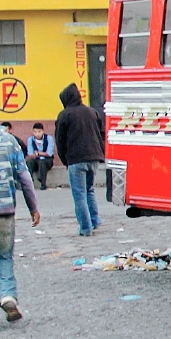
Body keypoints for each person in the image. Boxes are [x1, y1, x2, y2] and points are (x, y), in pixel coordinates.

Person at [0, 123, 40, 327]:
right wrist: (33, 207)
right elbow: (24, 178)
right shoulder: (10, 141)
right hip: (4, 210)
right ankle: (8, 296)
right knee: (4, 256)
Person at [55, 83, 104, 237]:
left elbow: (60, 141)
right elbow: (101, 133)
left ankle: (85, 228)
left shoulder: (64, 115)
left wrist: (65, 161)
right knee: (90, 190)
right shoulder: (92, 112)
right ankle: (95, 220)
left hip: (76, 160)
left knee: (79, 194)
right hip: (94, 158)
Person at [26, 123, 55, 190]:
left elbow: (49, 153)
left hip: (47, 161)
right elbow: (30, 153)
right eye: (35, 132)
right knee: (29, 162)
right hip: (36, 160)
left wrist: (38, 153)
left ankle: (42, 183)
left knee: (42, 162)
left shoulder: (49, 138)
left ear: (43, 131)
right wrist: (40, 154)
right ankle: (30, 182)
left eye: (39, 132)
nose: (37, 134)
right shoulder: (30, 139)